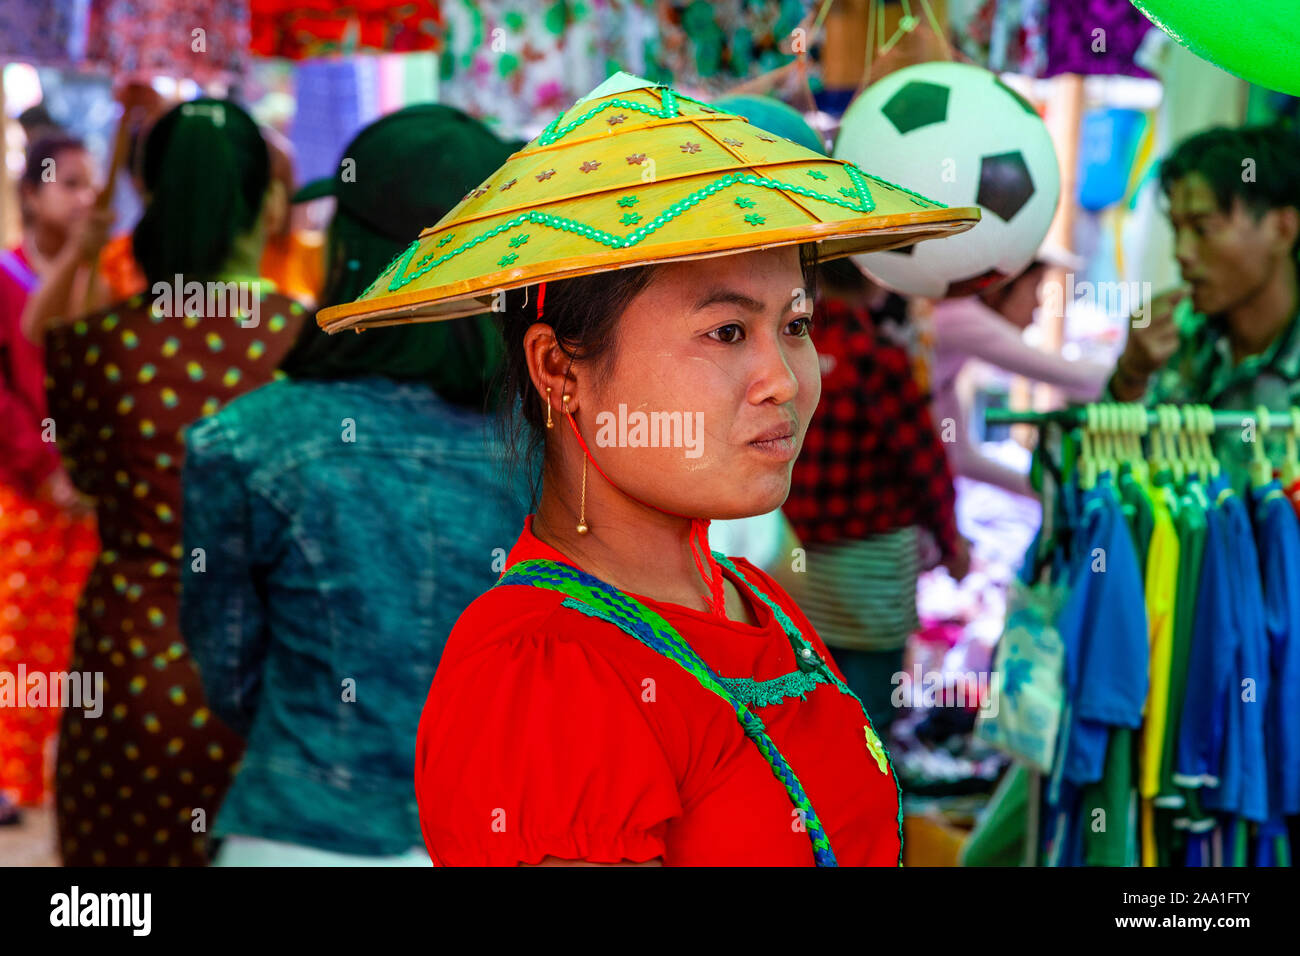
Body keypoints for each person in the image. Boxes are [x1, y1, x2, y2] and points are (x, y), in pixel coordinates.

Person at [316, 72, 979, 865]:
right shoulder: (547, 677)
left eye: (795, 323)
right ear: (560, 370)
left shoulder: (756, 599)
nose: (788, 379)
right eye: (728, 332)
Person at [179, 104, 528, 866]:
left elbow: (231, 676)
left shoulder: (243, 441)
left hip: (298, 832)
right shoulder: (562, 452)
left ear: (351, 251)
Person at [33, 98, 306, 866]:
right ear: (270, 202)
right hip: (275, 675)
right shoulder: (311, 345)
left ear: (148, 198)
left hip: (129, 671)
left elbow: (84, 479)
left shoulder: (95, 348)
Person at [784, 255, 969, 736]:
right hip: (873, 571)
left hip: (798, 565)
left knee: (813, 712)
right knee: (868, 726)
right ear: (877, 281)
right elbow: (923, 463)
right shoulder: (876, 357)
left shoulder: (791, 354)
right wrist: (952, 544)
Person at [1106, 124, 1300, 491]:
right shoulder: (1172, 344)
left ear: (1283, 230)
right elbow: (1094, 483)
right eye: (1177, 230)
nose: (1180, 253)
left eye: (1203, 228)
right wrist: (1130, 375)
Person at [0, 135, 100, 824]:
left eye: (92, 184)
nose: (85, 197)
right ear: (32, 194)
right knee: (13, 637)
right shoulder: (6, 279)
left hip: (85, 493)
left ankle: (62, 775)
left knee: (74, 637)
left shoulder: (101, 283)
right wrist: (42, 466)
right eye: (70, 183)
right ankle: (12, 778)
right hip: (21, 490)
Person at [931, 247, 1111, 497]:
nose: (1038, 304)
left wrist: (1048, 494)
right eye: (1035, 286)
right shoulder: (958, 317)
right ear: (1003, 284)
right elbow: (1070, 375)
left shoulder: (952, 338)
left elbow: (959, 457)